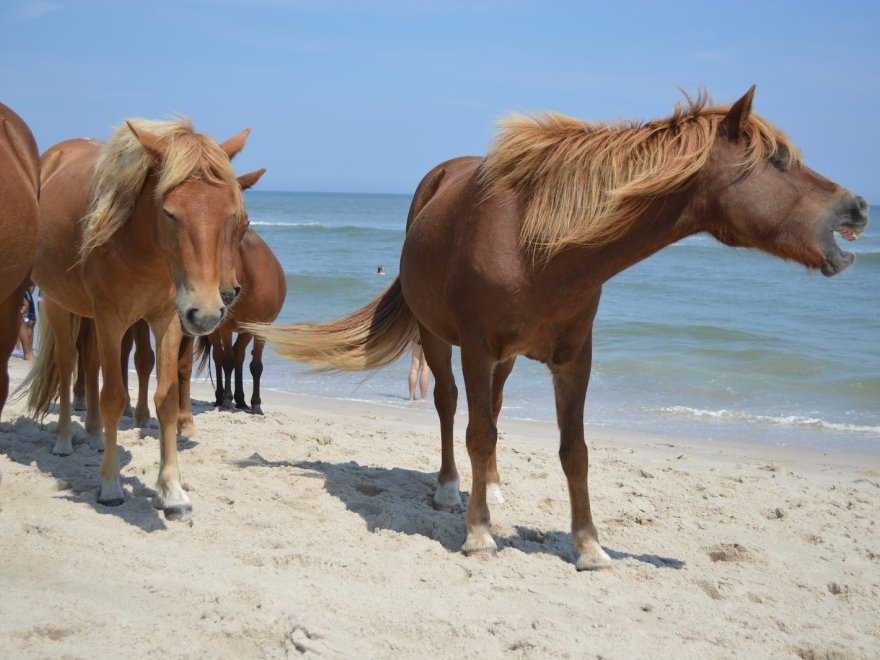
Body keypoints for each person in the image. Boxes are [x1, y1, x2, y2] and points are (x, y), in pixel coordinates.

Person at [17, 282, 36, 360]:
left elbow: (33, 284)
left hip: (25, 290)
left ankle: (29, 352)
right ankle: (27, 353)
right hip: (20, 287)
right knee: (24, 321)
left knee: (31, 321)